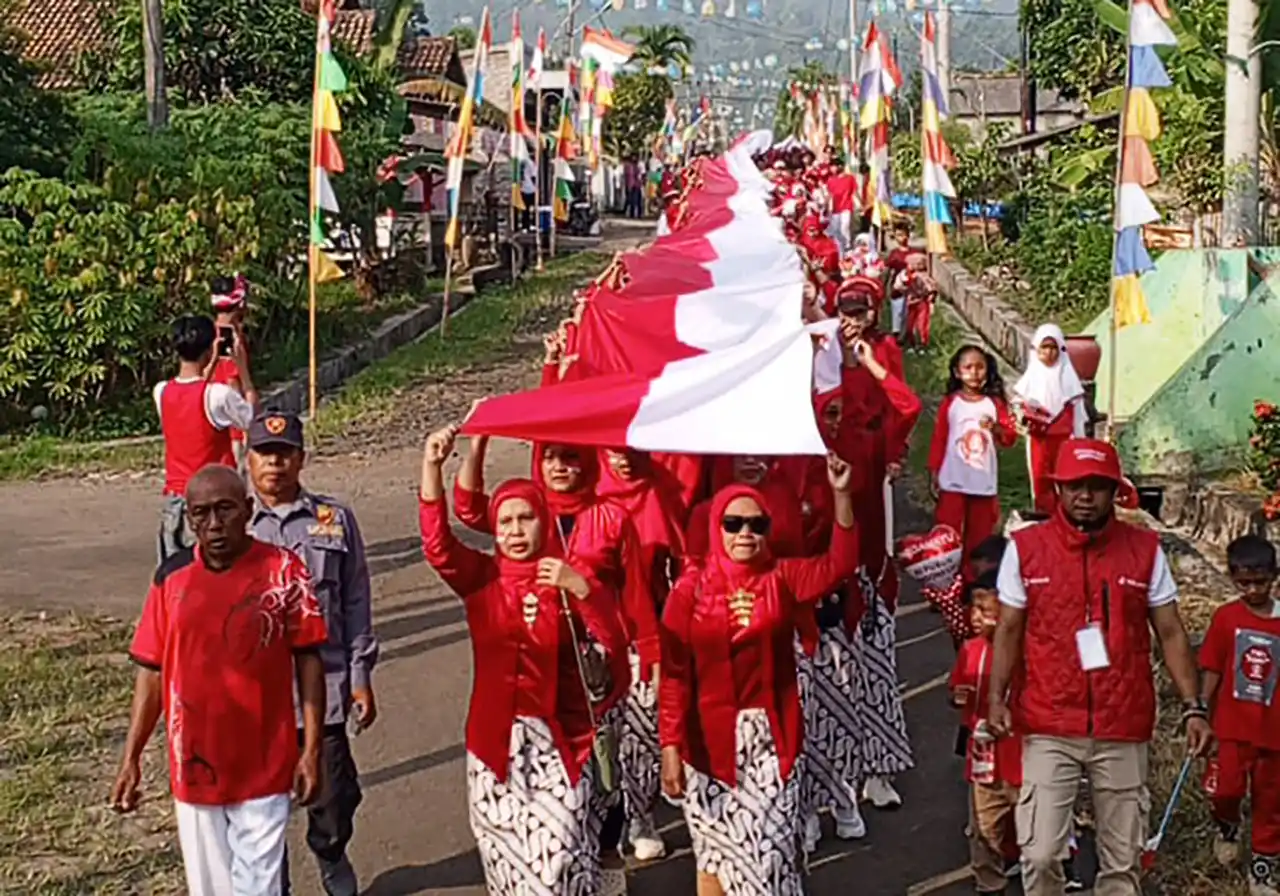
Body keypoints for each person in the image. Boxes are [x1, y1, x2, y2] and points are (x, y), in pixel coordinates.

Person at [986, 438, 1213, 896]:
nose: (1084, 496)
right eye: (1074, 486)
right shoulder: (1025, 549)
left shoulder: (1145, 550)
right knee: (1042, 853)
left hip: (1122, 723)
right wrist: (995, 698)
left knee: (1123, 861)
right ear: (1058, 490)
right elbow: (1009, 629)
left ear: (1115, 492)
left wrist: (1193, 707)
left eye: (1096, 486)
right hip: (1049, 720)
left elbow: (1170, 632)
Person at [419, 425, 631, 896]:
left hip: (562, 744)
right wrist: (432, 467)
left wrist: (583, 590)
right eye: (506, 521)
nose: (516, 531)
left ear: (543, 521)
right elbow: (437, 546)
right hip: (494, 746)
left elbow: (614, 648)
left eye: (526, 519)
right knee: (508, 867)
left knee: (561, 857)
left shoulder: (568, 580)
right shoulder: (481, 577)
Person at [110, 465, 328, 896]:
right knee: (211, 889)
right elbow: (151, 670)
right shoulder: (170, 579)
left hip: (265, 763)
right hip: (193, 765)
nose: (213, 524)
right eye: (201, 514)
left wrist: (311, 751)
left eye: (225, 509)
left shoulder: (284, 570)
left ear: (247, 510)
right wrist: (130, 757)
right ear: (188, 519)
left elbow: (309, 660)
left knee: (260, 888)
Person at [658, 456, 860, 896]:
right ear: (716, 528)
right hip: (706, 744)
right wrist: (670, 747)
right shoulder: (688, 592)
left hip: (772, 740)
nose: (744, 533)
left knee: (767, 857)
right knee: (715, 856)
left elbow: (840, 564)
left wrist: (842, 494)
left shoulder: (782, 577)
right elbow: (673, 677)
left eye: (756, 525)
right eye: (732, 524)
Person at [244, 412, 378, 896]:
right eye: (264, 453)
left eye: (284, 453)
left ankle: (330, 852)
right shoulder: (233, 523)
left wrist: (362, 673)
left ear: (300, 458)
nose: (274, 464)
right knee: (261, 806)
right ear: (248, 458)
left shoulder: (333, 519)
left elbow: (356, 597)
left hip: (326, 690)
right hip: (256, 697)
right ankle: (271, 881)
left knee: (334, 797)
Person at [835, 282, 922, 809]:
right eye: (844, 308)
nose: (853, 318)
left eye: (861, 308)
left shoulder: (881, 353)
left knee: (877, 645)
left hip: (873, 490)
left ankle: (879, 765)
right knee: (833, 662)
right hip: (833, 508)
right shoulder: (821, 353)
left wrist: (871, 366)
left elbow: (905, 407)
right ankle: (838, 776)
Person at [1200, 534, 1280, 895]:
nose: (1252, 590)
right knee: (1225, 790)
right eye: (1243, 583)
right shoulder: (1225, 618)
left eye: (1260, 582)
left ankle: (1263, 869)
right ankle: (1228, 826)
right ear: (1232, 578)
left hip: (1274, 730)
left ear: (1274, 577)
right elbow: (1214, 667)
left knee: (1271, 801)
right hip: (1230, 726)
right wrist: (1200, 708)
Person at [154, 315, 258, 563]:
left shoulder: (162, 391)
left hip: (176, 499)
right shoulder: (218, 394)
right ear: (211, 347)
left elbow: (194, 390)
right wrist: (243, 371)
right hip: (211, 500)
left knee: (174, 576)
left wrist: (209, 364)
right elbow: (251, 419)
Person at [950, 572, 1021, 894]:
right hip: (983, 757)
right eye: (973, 609)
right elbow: (956, 689)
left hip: (1023, 756)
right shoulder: (970, 649)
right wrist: (957, 696)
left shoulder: (1028, 649)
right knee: (983, 828)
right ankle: (989, 884)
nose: (975, 618)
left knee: (1035, 830)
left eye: (984, 609)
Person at [928, 345, 1018, 572]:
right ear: (957, 372)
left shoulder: (994, 404)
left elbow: (1009, 438)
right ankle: (944, 584)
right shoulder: (951, 403)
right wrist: (934, 470)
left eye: (980, 367)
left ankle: (973, 582)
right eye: (968, 367)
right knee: (947, 535)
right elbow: (940, 438)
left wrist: (996, 428)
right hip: (953, 479)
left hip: (982, 481)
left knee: (979, 536)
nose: (974, 373)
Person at [1012, 325, 1087, 516]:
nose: (1049, 353)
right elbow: (1019, 404)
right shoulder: (1032, 378)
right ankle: (1043, 512)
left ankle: (1065, 513)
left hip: (1063, 437)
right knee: (1039, 476)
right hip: (1039, 438)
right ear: (1036, 350)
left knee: (1065, 476)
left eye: (1053, 348)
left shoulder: (1068, 378)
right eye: (1044, 348)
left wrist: (1079, 439)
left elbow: (1077, 412)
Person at [209, 274, 253, 467]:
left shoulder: (205, 333)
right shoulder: (234, 339)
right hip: (230, 421)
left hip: (206, 414)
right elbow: (234, 382)